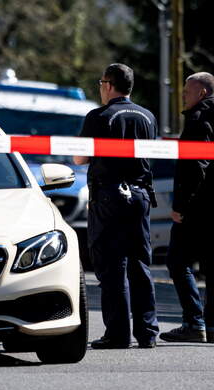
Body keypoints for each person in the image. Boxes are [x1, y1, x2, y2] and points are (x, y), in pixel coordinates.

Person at [73, 63, 160, 349]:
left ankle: (118, 334)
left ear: (109, 85)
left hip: (109, 196)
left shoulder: (99, 116)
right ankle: (148, 333)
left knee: (112, 266)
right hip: (140, 196)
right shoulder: (148, 116)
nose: (100, 88)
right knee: (139, 265)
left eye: (100, 83)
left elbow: (80, 159)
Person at [160, 72, 214, 345]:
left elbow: (195, 166)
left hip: (196, 206)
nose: (183, 96)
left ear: (202, 93)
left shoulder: (198, 120)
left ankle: (194, 323)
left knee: (177, 261)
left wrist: (180, 205)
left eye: (187, 91)